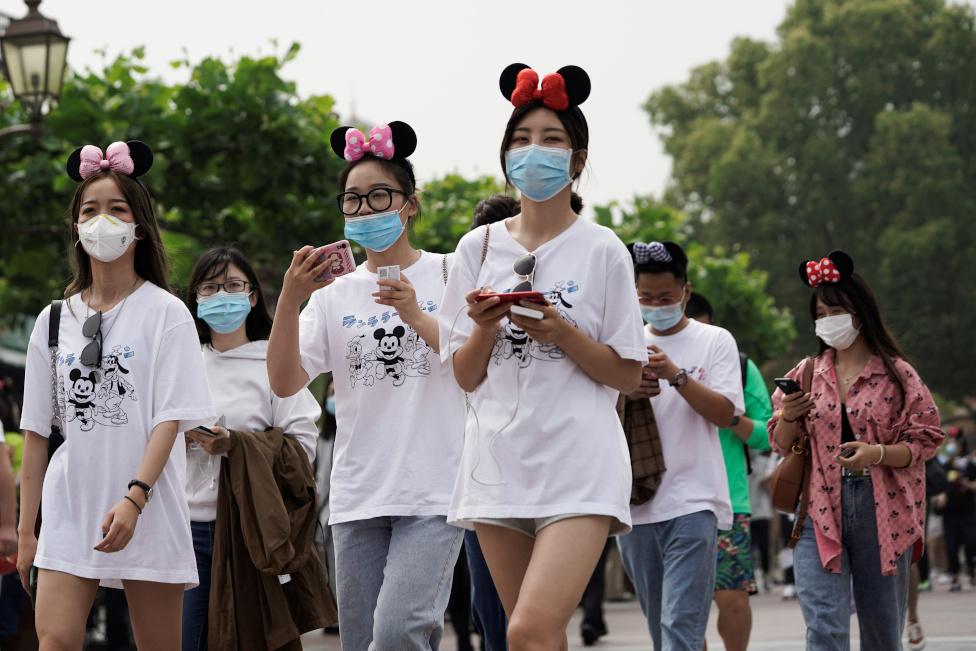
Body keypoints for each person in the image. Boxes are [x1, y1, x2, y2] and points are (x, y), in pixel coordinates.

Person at [440, 62, 645, 650]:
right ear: (505, 156)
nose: (535, 153)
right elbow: (464, 374)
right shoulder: (475, 247)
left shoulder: (603, 248)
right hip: (496, 465)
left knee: (529, 629)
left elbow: (629, 373)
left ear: (577, 159)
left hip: (579, 463)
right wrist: (481, 329)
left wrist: (562, 332)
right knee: (532, 637)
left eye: (552, 141)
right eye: (522, 140)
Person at [267, 120, 465, 650]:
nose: (366, 210)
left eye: (379, 195)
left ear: (410, 203)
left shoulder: (449, 275)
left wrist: (417, 314)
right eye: (352, 200)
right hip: (358, 496)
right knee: (359, 642)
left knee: (398, 632)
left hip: (434, 492)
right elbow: (285, 380)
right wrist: (289, 298)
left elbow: (475, 363)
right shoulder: (333, 295)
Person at [17, 141, 214, 648]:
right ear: (76, 227)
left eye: (117, 209)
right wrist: (25, 532)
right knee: (55, 641)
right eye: (89, 210)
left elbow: (169, 421)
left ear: (139, 226)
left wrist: (134, 498)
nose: (101, 221)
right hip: (70, 509)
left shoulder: (167, 312)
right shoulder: (53, 320)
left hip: (146, 506)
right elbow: (37, 431)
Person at [769, 250, 943, 650]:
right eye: (822, 312)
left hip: (884, 507)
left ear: (860, 312)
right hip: (817, 507)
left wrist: (876, 454)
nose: (829, 320)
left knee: (882, 635)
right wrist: (792, 415)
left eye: (837, 311)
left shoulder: (897, 374)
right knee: (824, 628)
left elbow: (926, 438)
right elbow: (780, 442)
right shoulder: (807, 372)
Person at [181, 246, 321, 650]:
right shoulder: (182, 363)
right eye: (210, 287)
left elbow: (302, 446)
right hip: (185, 528)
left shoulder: (272, 362)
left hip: (250, 532)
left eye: (233, 285)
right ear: (196, 299)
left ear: (252, 296)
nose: (221, 295)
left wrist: (236, 445)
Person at [617, 241, 744, 651]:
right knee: (660, 629)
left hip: (693, 502)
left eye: (666, 298)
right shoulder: (622, 341)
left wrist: (677, 375)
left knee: (680, 626)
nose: (656, 305)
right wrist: (627, 390)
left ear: (686, 293)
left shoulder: (715, 340)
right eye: (646, 298)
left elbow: (727, 414)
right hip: (635, 505)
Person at [685, 291, 772, 651]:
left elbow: (768, 435)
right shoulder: (647, 356)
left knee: (733, 599)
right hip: (670, 499)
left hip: (729, 501)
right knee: (683, 608)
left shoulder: (737, 365)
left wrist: (730, 416)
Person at [934, 430, 976, 592]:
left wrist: (967, 484)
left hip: (967, 512)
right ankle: (955, 577)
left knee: (970, 544)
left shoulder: (969, 464)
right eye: (949, 443)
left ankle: (971, 570)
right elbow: (938, 485)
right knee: (951, 546)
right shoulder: (943, 465)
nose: (951, 446)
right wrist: (940, 496)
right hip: (949, 513)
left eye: (954, 443)